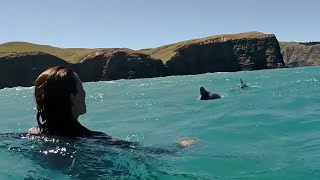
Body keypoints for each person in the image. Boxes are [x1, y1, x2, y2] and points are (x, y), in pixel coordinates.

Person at [28, 66, 194, 147]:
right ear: (72, 98)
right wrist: (180, 147)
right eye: (82, 88)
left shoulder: (32, 135)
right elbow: (146, 155)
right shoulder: (96, 140)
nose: (85, 94)